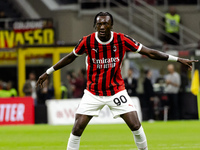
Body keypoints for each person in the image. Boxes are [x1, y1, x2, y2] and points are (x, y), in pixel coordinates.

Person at [36, 12, 198, 150]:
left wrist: (176, 59)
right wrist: (48, 72)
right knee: (77, 127)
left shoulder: (122, 40)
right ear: (95, 26)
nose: (102, 27)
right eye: (99, 24)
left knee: (135, 125)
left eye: (105, 24)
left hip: (116, 91)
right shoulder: (87, 41)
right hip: (93, 92)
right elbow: (70, 57)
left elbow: (150, 53)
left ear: (111, 25)